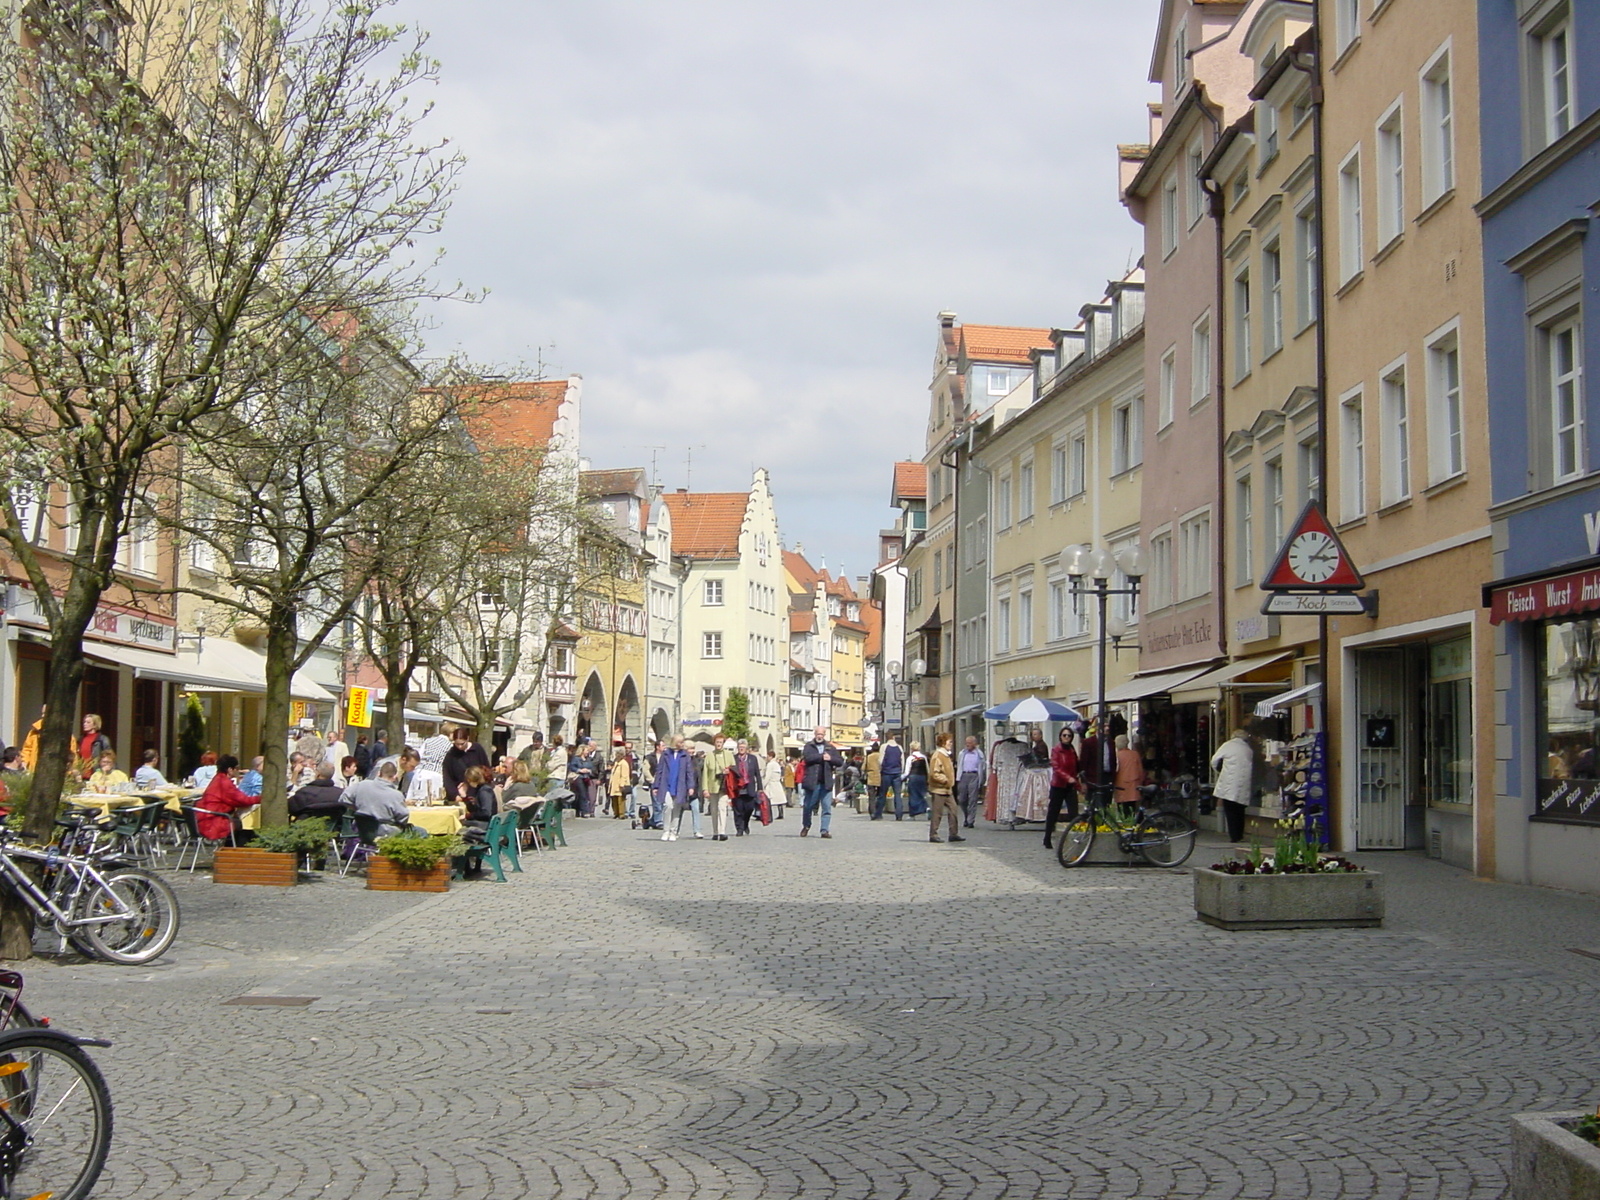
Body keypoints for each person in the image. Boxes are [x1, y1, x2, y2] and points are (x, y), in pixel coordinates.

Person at [194, 754, 258, 842]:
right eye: (237, 768)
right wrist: (262, 798)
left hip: (205, 820)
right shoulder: (224, 783)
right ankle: (237, 850)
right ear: (230, 770)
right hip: (215, 823)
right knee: (246, 826)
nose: (238, 771)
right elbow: (243, 800)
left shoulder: (217, 779)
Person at [1211, 728, 1256, 843]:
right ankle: (1239, 834)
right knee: (1240, 810)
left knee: (1230, 810)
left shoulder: (1227, 745)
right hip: (1243, 783)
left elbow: (1214, 760)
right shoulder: (1248, 749)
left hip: (1229, 782)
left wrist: (1219, 770)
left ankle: (1234, 836)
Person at [653, 735, 701, 841]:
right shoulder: (666, 754)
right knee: (668, 806)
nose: (682, 744)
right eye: (680, 742)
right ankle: (666, 830)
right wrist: (656, 786)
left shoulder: (685, 756)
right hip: (667, 785)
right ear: (675, 743)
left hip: (680, 785)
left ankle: (673, 832)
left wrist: (690, 786)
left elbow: (689, 772)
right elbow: (659, 770)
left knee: (677, 809)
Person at [800, 727, 844, 839]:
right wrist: (821, 757)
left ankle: (824, 830)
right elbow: (808, 758)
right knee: (808, 806)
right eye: (818, 734)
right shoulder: (809, 746)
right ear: (815, 734)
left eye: (822, 734)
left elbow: (840, 761)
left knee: (826, 808)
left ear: (824, 735)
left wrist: (830, 759)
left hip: (826, 782)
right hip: (812, 782)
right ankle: (806, 826)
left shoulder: (830, 747)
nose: (819, 736)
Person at [343, 762, 411, 834]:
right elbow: (403, 817)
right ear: (394, 777)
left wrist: (356, 809)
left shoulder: (362, 785)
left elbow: (344, 798)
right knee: (420, 831)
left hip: (361, 830)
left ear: (378, 773)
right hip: (385, 832)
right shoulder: (397, 795)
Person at [1044, 728, 1080, 849]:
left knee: (1074, 812)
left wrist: (1077, 782)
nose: (1066, 737)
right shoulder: (1056, 750)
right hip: (1058, 785)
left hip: (1070, 786)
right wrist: (1067, 777)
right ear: (1060, 736)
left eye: (1069, 735)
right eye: (1064, 735)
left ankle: (1075, 838)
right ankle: (1047, 837)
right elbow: (1056, 767)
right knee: (1053, 812)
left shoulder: (1072, 750)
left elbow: (1076, 767)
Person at [699, 733, 736, 841]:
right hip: (713, 786)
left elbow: (734, 770)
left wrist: (728, 771)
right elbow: (705, 773)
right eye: (717, 742)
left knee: (722, 808)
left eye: (720, 742)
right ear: (714, 743)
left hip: (724, 786)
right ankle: (715, 832)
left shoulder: (729, 755)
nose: (719, 744)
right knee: (714, 809)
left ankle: (722, 831)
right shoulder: (709, 756)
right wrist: (705, 789)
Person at [927, 733, 963, 843]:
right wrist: (945, 780)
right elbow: (934, 773)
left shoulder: (946, 755)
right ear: (943, 743)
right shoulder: (938, 755)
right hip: (939, 789)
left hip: (947, 789)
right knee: (937, 813)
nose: (951, 744)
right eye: (949, 742)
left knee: (953, 810)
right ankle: (933, 834)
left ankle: (953, 833)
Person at [441, 727, 490, 807]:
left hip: (477, 793)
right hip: (459, 794)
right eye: (457, 744)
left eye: (462, 744)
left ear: (467, 739)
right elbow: (447, 777)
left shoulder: (477, 749)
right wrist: (455, 795)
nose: (459, 747)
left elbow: (486, 769)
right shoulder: (451, 754)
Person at [729, 739, 763, 836]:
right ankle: (739, 829)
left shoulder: (752, 758)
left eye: (743, 747)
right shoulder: (733, 758)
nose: (741, 749)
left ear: (746, 748)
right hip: (738, 787)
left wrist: (760, 788)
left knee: (749, 808)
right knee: (738, 809)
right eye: (740, 747)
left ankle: (746, 823)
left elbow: (757, 773)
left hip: (749, 787)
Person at [410, 731, 450, 801]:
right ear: (451, 734)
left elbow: (420, 755)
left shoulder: (428, 741)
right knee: (433, 801)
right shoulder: (449, 745)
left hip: (420, 772)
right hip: (435, 773)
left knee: (415, 799)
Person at [956, 735, 986, 829]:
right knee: (962, 799)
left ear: (974, 744)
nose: (967, 744)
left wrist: (982, 780)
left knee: (973, 799)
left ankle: (970, 820)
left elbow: (983, 767)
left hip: (974, 776)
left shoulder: (979, 754)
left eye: (969, 743)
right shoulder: (962, 753)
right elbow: (959, 764)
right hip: (963, 776)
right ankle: (966, 815)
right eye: (966, 743)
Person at [567, 738, 601, 817]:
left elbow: (591, 767)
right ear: (582, 751)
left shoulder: (588, 759)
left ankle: (580, 810)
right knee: (582, 794)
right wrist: (580, 770)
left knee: (585, 794)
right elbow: (572, 767)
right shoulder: (576, 759)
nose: (588, 752)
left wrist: (588, 770)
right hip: (578, 777)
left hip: (586, 778)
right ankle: (584, 811)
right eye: (586, 751)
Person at [1113, 734, 1146, 805]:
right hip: (1134, 784)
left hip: (1120, 784)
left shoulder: (1116, 755)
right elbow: (1140, 771)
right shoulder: (1135, 754)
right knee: (1132, 807)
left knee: (1122, 808)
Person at [607, 742, 636, 820]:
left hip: (620, 784)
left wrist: (622, 784)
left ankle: (621, 814)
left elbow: (624, 775)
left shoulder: (624, 763)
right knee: (614, 799)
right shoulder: (616, 762)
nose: (616, 756)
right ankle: (616, 813)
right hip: (614, 784)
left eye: (617, 754)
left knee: (621, 800)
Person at [77, 714, 111, 780]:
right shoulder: (81, 739)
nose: (85, 724)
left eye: (88, 722)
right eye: (84, 722)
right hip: (82, 774)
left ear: (95, 725)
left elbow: (108, 756)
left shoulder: (102, 739)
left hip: (96, 773)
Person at [880, 735, 905, 820]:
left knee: (883, 794)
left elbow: (880, 761)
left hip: (887, 772)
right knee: (897, 795)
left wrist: (881, 769)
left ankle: (878, 813)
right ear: (893, 738)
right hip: (897, 772)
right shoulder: (899, 747)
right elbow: (902, 761)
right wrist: (901, 771)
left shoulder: (884, 746)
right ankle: (899, 815)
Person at [905, 742, 929, 818]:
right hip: (922, 777)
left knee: (913, 795)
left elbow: (907, 772)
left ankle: (913, 813)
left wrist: (901, 778)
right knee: (922, 794)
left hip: (913, 777)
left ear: (911, 748)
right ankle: (926, 808)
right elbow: (927, 769)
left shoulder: (910, 758)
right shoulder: (924, 757)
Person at [762, 749, 786, 820]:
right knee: (779, 800)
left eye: (768, 756)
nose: (767, 758)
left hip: (771, 784)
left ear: (770, 756)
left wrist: (763, 785)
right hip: (777, 783)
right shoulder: (776, 764)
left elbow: (768, 776)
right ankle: (781, 813)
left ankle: (769, 815)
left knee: (769, 800)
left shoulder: (770, 764)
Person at [19, 707, 43, 773]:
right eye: (42, 713)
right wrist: (24, 762)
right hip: (34, 770)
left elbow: (71, 756)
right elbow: (27, 749)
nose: (43, 716)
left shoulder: (64, 734)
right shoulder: (34, 732)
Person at [864, 743, 884, 820]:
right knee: (880, 796)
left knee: (871, 797)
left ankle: (872, 812)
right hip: (880, 777)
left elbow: (863, 767)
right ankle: (879, 812)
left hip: (871, 777)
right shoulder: (881, 756)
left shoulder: (869, 757)